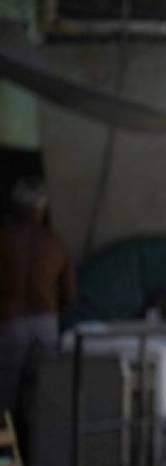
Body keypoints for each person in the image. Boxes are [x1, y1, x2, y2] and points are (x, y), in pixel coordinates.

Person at [0, 177, 76, 432]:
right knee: (45, 393)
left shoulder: (5, 239)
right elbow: (70, 294)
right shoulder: (55, 243)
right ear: (40, 210)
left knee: (5, 395)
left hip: (10, 321)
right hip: (46, 322)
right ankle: (42, 460)